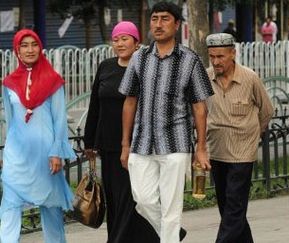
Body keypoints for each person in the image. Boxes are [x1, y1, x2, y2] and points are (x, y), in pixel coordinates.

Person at [118, 2, 214, 243]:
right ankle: (171, 235)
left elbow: (199, 107)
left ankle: (169, 237)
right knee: (143, 200)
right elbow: (130, 101)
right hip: (141, 143)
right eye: (154, 19)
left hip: (176, 143)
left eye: (164, 19)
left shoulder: (190, 60)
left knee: (172, 208)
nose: (158, 24)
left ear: (177, 24)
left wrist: (201, 148)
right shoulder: (139, 58)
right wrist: (125, 144)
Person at [83, 21, 159, 243]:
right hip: (108, 145)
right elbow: (94, 104)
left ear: (136, 42)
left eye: (125, 38)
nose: (119, 43)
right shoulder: (105, 66)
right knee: (115, 199)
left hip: (137, 144)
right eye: (115, 40)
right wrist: (89, 142)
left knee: (130, 196)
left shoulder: (145, 67)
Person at [0, 29, 76, 243]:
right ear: (17, 50)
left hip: (46, 157)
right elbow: (11, 120)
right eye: (24, 45)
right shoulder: (9, 83)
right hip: (17, 156)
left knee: (50, 207)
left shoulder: (53, 81)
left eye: (34, 44)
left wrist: (56, 152)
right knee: (10, 204)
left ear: (40, 48)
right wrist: (6, 154)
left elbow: (59, 119)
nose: (30, 49)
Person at [205, 33, 274, 243]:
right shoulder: (205, 77)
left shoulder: (249, 78)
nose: (216, 62)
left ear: (233, 53)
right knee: (227, 207)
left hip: (242, 153)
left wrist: (252, 135)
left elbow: (267, 111)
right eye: (212, 57)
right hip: (216, 150)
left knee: (234, 206)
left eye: (221, 57)